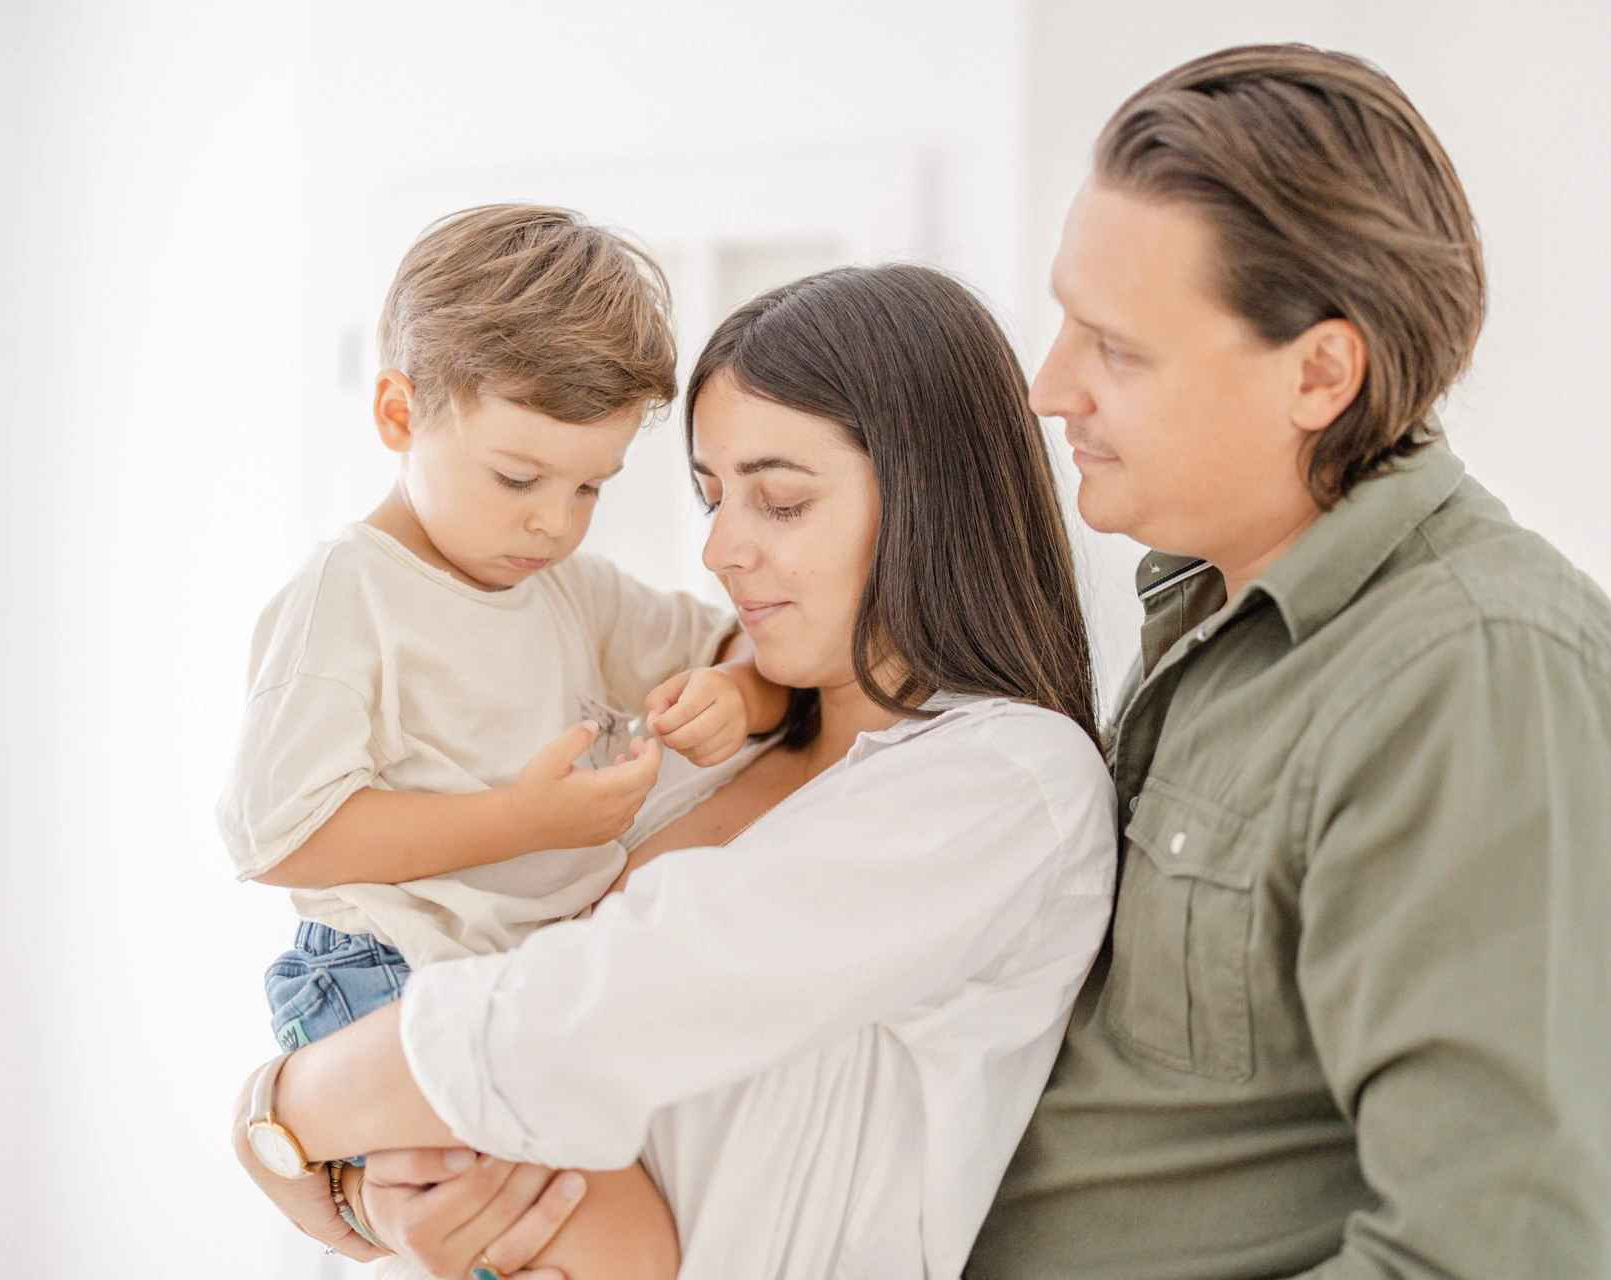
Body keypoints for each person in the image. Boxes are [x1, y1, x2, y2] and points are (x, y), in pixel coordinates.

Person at [965, 44, 1611, 1279]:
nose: (1049, 387)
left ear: (1320, 371)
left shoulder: (1486, 680)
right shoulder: (1216, 627)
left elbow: (1480, 1259)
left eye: (1116, 348)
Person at [230, 264, 1118, 1280]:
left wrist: (277, 1107)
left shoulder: (1004, 779)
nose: (719, 549)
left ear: (935, 498)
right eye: (710, 496)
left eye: (780, 501)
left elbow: (582, 1011)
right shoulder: (696, 752)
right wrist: (364, 1189)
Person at [220, 204, 793, 1266]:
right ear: (398, 412)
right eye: (520, 478)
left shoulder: (566, 586)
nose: (555, 523)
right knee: (619, 1243)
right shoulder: (351, 593)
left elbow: (735, 647)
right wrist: (519, 820)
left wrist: (744, 699)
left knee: (630, 1238)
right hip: (382, 969)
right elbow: (280, 836)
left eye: (591, 487)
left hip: (501, 984)